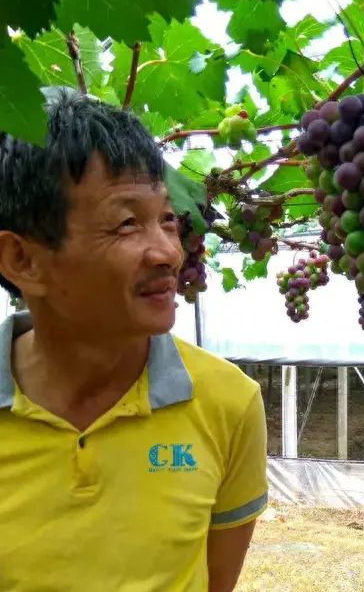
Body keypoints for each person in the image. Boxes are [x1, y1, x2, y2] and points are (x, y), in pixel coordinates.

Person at [0, 89, 268, 591]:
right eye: (127, 223)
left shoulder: (229, 404)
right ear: (23, 261)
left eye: (167, 218)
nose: (168, 251)